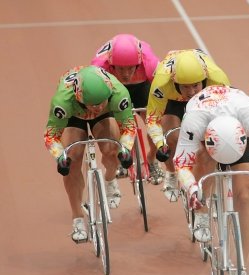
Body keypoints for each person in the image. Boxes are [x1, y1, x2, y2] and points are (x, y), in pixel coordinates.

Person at [173, 85, 249, 275]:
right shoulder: (194, 122)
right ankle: (202, 214)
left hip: (235, 140)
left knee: (244, 196)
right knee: (203, 161)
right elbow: (181, 163)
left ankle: (242, 268)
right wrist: (193, 189)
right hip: (207, 140)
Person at [44, 65, 136, 243]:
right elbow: (50, 135)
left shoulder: (117, 93)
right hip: (74, 116)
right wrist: (60, 157)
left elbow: (129, 126)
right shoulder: (63, 102)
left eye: (102, 101)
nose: (99, 106)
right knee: (73, 158)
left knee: (111, 149)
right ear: (79, 97)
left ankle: (110, 181)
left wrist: (125, 149)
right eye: (94, 104)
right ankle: (77, 218)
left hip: (104, 116)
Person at [146, 49, 231, 202]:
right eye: (185, 86)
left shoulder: (218, 79)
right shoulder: (161, 83)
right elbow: (152, 119)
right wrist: (160, 144)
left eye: (195, 86)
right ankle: (171, 173)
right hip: (174, 101)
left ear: (204, 79)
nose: (191, 92)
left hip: (205, 100)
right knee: (171, 137)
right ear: (175, 81)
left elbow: (228, 113)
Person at [91, 34, 163, 184]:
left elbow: (161, 92)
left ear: (138, 64)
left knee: (155, 123)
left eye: (130, 69)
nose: (125, 74)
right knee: (115, 123)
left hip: (141, 87)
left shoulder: (151, 65)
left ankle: (151, 160)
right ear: (111, 65)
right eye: (121, 69)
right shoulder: (98, 68)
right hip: (113, 88)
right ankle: (121, 152)